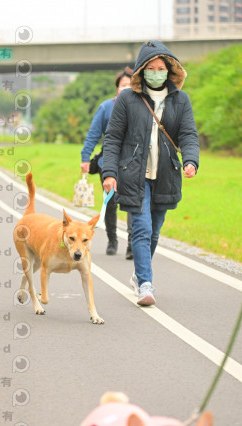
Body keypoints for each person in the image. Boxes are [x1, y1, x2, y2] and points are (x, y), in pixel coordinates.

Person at [102, 40, 199, 306]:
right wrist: (109, 173)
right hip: (134, 174)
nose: (156, 72)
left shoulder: (181, 100)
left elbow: (188, 134)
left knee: (154, 232)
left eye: (161, 68)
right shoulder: (127, 99)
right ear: (142, 71)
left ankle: (138, 274)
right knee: (142, 229)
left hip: (166, 175)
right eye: (151, 68)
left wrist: (191, 160)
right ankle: (146, 284)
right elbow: (112, 138)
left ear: (170, 70)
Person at [80, 67, 134, 258]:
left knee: (132, 202)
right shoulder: (106, 108)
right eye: (123, 85)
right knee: (111, 203)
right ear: (118, 87)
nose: (127, 88)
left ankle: (132, 244)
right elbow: (93, 134)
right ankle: (112, 239)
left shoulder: (142, 106)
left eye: (130, 84)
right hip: (108, 163)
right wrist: (85, 157)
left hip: (133, 163)